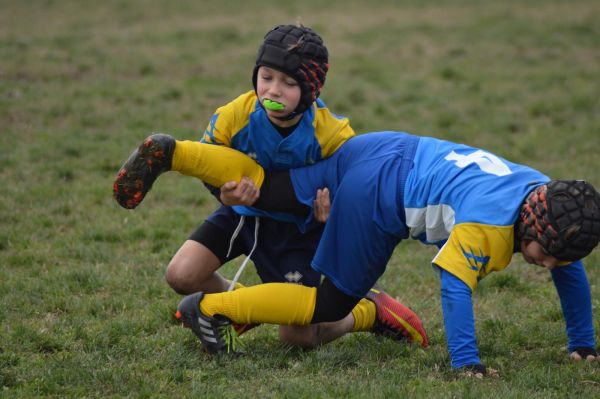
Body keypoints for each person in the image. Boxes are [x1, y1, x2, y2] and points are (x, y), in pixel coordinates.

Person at [114, 130, 600, 376]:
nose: (551, 264)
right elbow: (454, 287)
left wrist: (583, 342)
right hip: (379, 196)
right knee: (325, 308)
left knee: (267, 188)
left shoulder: (544, 193)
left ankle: (175, 152)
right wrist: (467, 363)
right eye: (550, 253)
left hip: (383, 146)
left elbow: (569, 266)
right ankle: (214, 308)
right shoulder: (490, 229)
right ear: (535, 221)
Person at [114, 25, 428, 349]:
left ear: (311, 90)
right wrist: (222, 193)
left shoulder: (332, 136)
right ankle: (243, 307)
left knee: (297, 340)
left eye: (289, 83)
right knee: (181, 275)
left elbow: (357, 190)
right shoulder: (233, 116)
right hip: (241, 216)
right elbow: (209, 164)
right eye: (266, 77)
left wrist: (330, 215)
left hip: (298, 232)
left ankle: (367, 312)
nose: (273, 91)